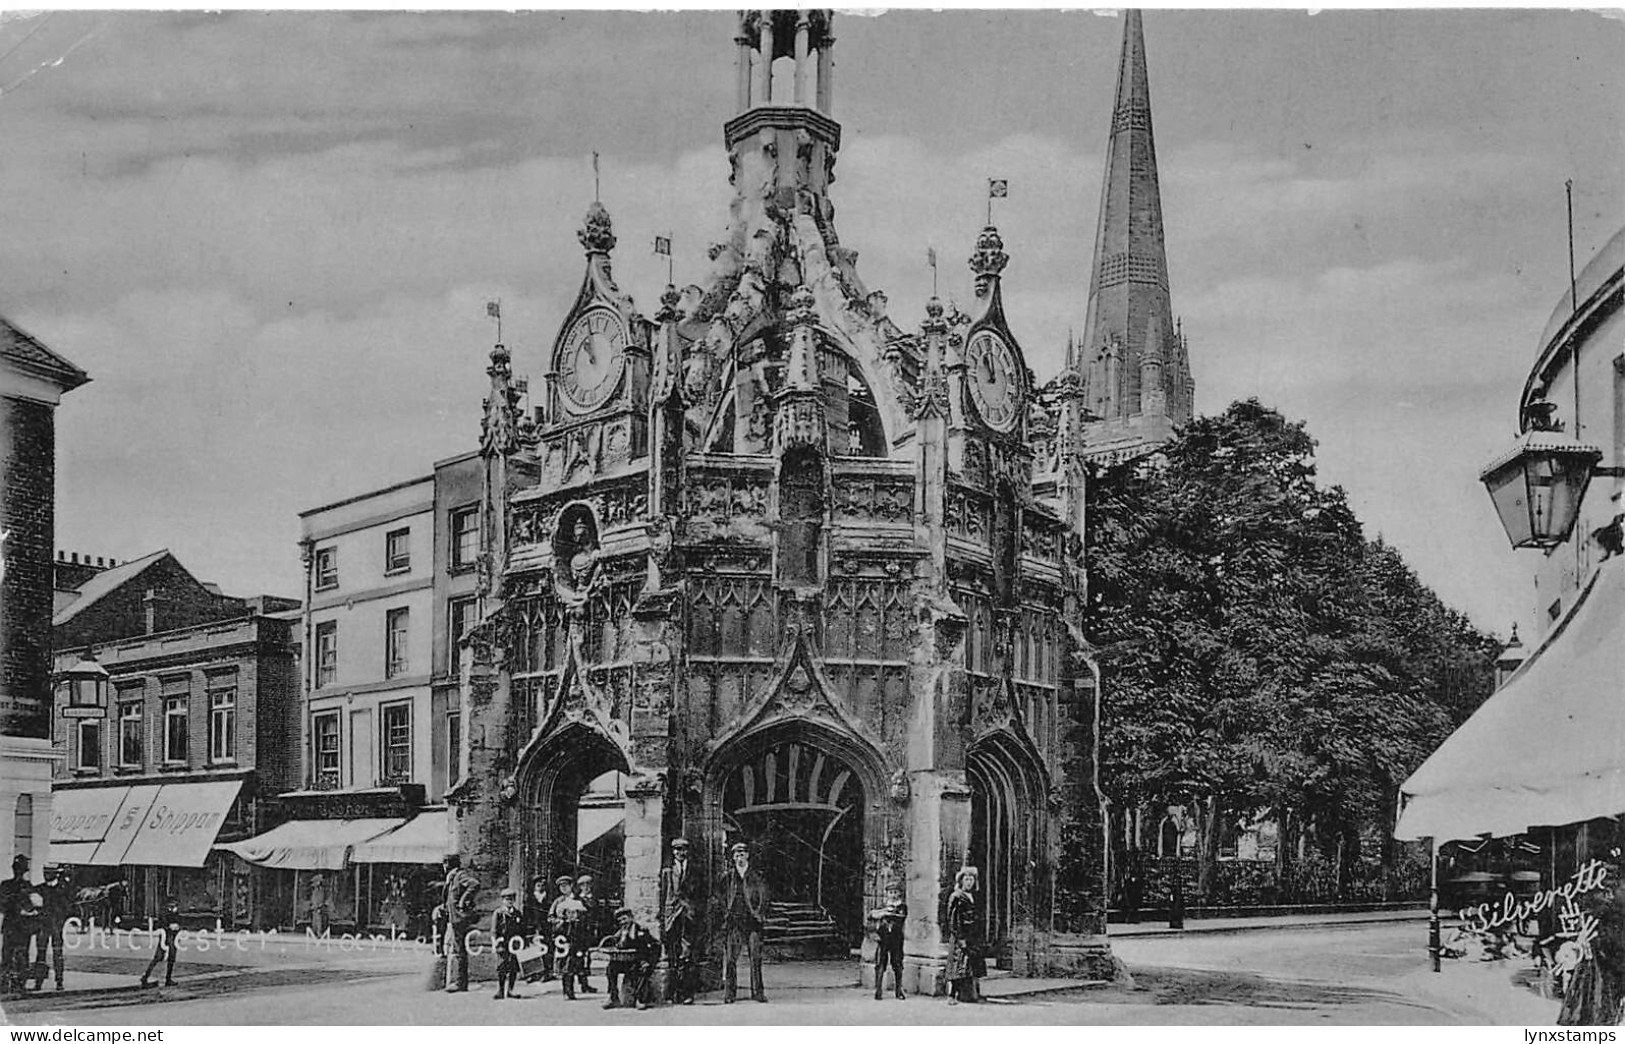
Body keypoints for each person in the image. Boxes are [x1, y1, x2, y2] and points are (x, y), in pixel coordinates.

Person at [714, 840, 769, 1004]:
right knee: (731, 959)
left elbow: (764, 898)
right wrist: (725, 913)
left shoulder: (756, 877)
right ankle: (730, 994)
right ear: (733, 857)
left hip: (752, 923)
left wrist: (759, 914)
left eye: (742, 854)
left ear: (748, 856)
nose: (740, 857)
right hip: (734, 923)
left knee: (756, 958)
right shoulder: (727, 878)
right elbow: (719, 898)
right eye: (737, 854)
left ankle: (758, 992)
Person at [659, 837, 701, 1005]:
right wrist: (663, 918)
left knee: (688, 955)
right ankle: (672, 993)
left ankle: (687, 994)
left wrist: (694, 909)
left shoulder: (694, 870)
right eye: (677, 850)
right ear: (673, 852)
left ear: (687, 851)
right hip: (671, 916)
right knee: (672, 954)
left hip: (688, 915)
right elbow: (663, 896)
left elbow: (700, 893)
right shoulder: (667, 872)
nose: (680, 853)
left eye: (683, 850)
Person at [600, 907, 660, 1010]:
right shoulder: (620, 932)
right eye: (620, 921)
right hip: (624, 960)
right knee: (611, 969)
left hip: (638, 960)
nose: (623, 922)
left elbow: (655, 945)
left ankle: (640, 999)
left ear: (631, 918)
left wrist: (650, 961)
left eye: (625, 919)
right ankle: (613, 997)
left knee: (642, 971)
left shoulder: (640, 930)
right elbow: (617, 945)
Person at [0, 854, 41, 996]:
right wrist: (17, 901)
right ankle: (5, 983)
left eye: (20, 870)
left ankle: (19, 983)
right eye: (17, 869)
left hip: (23, 926)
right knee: (7, 954)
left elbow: (33, 904)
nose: (18, 872)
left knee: (22, 955)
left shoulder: (27, 886)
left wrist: (31, 909)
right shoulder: (6, 886)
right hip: (12, 925)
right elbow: (1, 905)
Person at [944, 866, 984, 1004]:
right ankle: (951, 995)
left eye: (971, 879)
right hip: (960, 936)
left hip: (972, 935)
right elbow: (953, 919)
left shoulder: (973, 896)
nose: (969, 882)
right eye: (966, 879)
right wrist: (960, 938)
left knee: (969, 966)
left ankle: (969, 993)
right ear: (961, 881)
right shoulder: (956, 896)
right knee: (957, 966)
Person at [442, 853, 481, 993]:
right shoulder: (452, 877)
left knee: (460, 951)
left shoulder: (459, 875)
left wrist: (463, 901)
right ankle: (460, 982)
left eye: (445, 863)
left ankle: (460, 983)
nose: (443, 866)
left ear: (450, 864)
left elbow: (474, 884)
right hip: (454, 918)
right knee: (458, 950)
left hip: (460, 918)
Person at [549, 874, 587, 1000]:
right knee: (565, 964)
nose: (564, 889)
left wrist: (579, 919)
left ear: (571, 886)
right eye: (561, 887)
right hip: (563, 936)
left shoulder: (579, 900)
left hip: (577, 935)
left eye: (566, 886)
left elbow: (587, 915)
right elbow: (550, 917)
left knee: (576, 962)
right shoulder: (558, 902)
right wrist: (559, 921)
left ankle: (578, 986)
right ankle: (567, 991)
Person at [34, 866, 71, 992]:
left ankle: (59, 981)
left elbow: (67, 908)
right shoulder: (40, 889)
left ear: (55, 874)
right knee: (41, 953)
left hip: (56, 926)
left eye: (49, 873)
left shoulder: (63, 889)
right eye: (45, 873)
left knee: (58, 954)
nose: (46, 875)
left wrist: (61, 920)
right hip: (43, 926)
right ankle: (38, 981)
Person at [869, 882, 907, 1000]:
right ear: (887, 894)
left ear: (900, 893)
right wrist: (883, 912)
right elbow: (872, 914)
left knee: (897, 963)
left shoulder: (901, 906)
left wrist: (884, 914)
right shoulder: (883, 905)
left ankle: (898, 990)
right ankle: (878, 989)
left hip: (896, 938)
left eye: (896, 892)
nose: (893, 895)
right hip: (883, 938)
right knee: (880, 963)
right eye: (891, 892)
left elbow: (900, 917)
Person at [139, 897, 182, 989]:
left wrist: (177, 927)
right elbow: (161, 924)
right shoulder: (164, 913)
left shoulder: (174, 913)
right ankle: (146, 977)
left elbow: (179, 922)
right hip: (166, 936)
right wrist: (169, 926)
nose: (175, 907)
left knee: (171, 957)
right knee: (159, 957)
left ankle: (168, 978)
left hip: (173, 936)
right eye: (173, 904)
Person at [491, 888, 525, 1000]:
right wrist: (495, 943)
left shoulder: (517, 913)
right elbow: (494, 930)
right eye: (507, 899)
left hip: (514, 944)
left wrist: (521, 942)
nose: (509, 901)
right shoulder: (499, 913)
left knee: (513, 967)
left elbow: (521, 929)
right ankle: (500, 990)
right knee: (502, 967)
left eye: (511, 899)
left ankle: (511, 990)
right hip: (502, 943)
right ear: (502, 900)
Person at [573, 873, 602, 996]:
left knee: (587, 957)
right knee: (579, 957)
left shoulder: (595, 899)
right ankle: (582, 982)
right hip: (578, 932)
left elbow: (599, 915)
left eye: (588, 885)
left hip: (589, 931)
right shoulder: (576, 900)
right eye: (583, 885)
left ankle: (585, 982)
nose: (586, 887)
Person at [523, 876, 555, 983]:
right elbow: (526, 914)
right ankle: (533, 973)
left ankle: (547, 972)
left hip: (546, 928)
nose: (540, 887)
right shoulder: (529, 899)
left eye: (542, 885)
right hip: (532, 928)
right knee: (532, 950)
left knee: (547, 949)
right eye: (538, 885)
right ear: (534, 886)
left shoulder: (549, 899)